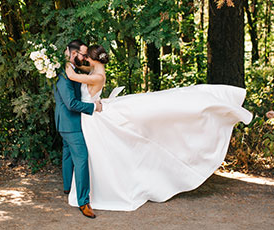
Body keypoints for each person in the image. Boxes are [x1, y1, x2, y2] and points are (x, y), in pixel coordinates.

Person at [65, 44, 253, 211]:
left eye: (84, 56)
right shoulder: (94, 72)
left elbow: (72, 75)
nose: (82, 59)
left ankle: (108, 190)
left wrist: (60, 60)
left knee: (102, 154)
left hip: (93, 117)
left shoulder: (96, 76)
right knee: (99, 155)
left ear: (90, 58)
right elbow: (79, 75)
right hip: (92, 115)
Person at [53, 40, 102, 218]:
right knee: (81, 158)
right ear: (74, 54)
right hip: (70, 123)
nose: (85, 57)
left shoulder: (71, 70)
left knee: (67, 154)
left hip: (65, 123)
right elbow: (72, 104)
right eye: (83, 54)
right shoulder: (64, 75)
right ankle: (83, 202)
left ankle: (68, 187)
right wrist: (93, 108)